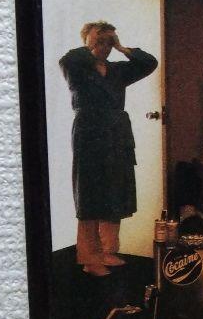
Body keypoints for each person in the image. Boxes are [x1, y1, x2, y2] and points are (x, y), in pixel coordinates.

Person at [59, 21, 158, 276]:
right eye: (99, 41)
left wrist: (122, 48)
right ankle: (90, 259)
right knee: (90, 195)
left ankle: (108, 251)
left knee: (115, 192)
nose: (104, 47)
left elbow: (149, 63)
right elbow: (67, 59)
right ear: (87, 42)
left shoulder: (117, 70)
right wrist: (91, 46)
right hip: (89, 133)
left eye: (108, 42)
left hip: (117, 134)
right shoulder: (77, 68)